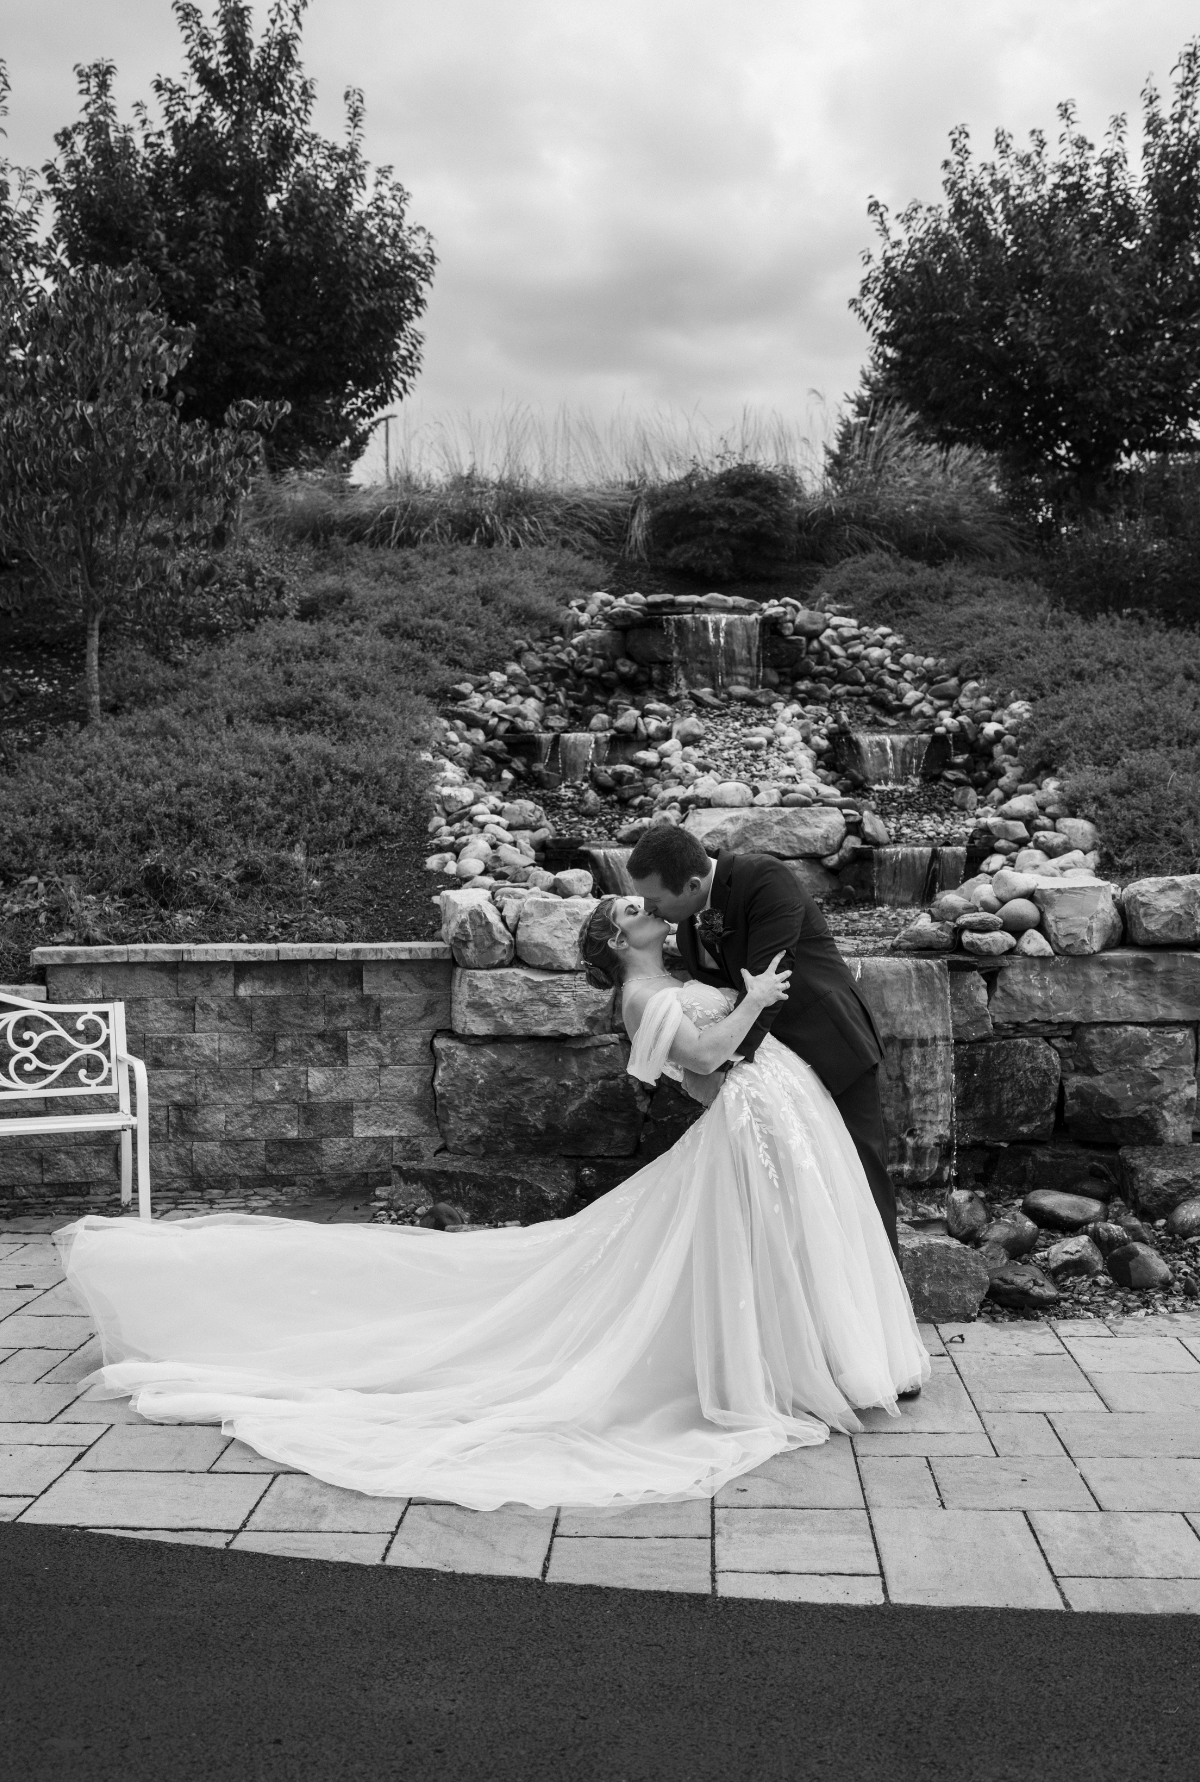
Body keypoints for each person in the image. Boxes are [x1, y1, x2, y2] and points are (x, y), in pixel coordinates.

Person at [57, 891, 927, 1513]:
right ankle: (772, 1368)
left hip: (771, 1119)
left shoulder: (672, 972)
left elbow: (704, 1062)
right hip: (752, 1121)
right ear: (620, 940)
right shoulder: (643, 994)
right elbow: (701, 1061)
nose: (649, 909)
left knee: (755, 1250)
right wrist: (758, 1002)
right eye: (634, 909)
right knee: (732, 1251)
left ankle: (791, 1357)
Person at [627, 823, 901, 1258]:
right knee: (800, 1190)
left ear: (693, 885)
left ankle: (885, 1294)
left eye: (654, 899)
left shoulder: (763, 878)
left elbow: (770, 982)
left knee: (860, 1176)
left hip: (829, 1046)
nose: (648, 908)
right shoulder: (688, 922)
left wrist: (716, 1066)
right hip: (772, 1071)